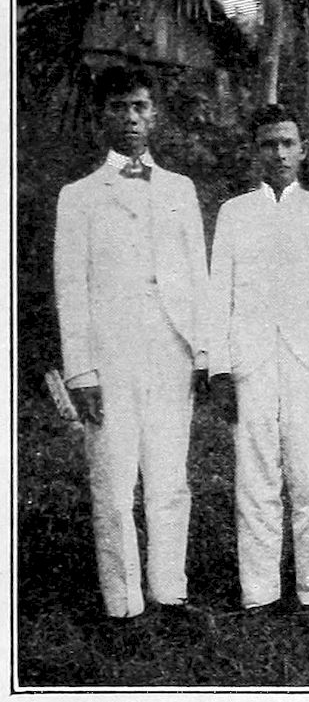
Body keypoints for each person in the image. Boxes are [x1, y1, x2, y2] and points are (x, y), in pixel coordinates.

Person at [53, 65, 209, 648]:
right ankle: (123, 605)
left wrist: (203, 353)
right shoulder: (78, 197)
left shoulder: (180, 189)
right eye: (119, 108)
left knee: (170, 479)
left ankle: (170, 592)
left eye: (140, 107)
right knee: (115, 482)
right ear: (102, 117)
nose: (131, 118)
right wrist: (81, 371)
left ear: (155, 115)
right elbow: (70, 287)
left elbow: (197, 275)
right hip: (110, 356)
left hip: (171, 351)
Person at [208, 104, 309, 624]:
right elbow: (218, 294)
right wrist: (219, 369)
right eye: (269, 144)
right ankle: (260, 593)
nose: (279, 153)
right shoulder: (234, 214)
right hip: (249, 362)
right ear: (255, 152)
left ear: (302, 150)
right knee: (255, 480)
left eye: (288, 143)